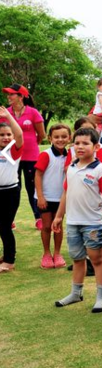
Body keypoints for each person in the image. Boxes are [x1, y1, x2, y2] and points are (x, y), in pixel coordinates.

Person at [52, 128, 102, 313]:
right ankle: (76, 293)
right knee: (77, 258)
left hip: (93, 223)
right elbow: (66, 192)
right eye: (77, 143)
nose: (80, 147)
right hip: (73, 222)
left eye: (85, 143)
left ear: (96, 146)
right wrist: (58, 216)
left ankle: (101, 296)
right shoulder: (71, 167)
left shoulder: (100, 170)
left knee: (97, 259)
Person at [2, 83, 46, 230]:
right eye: (8, 94)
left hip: (31, 157)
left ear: (20, 96)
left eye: (11, 94)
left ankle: (38, 217)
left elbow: (42, 135)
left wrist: (31, 145)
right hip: (11, 157)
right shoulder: (5, 113)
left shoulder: (33, 112)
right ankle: (9, 219)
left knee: (31, 187)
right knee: (13, 188)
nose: (8, 96)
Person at [34, 123, 71, 269]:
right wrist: (41, 196)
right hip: (46, 198)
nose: (60, 139)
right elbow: (38, 175)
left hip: (61, 198)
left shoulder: (71, 156)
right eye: (56, 137)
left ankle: (57, 253)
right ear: (50, 138)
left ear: (69, 137)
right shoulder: (46, 154)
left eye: (64, 136)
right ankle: (46, 254)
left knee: (58, 226)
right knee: (47, 226)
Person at [0, 107, 24, 273]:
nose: (6, 137)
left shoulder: (13, 151)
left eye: (8, 134)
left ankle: (9, 259)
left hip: (10, 192)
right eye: (2, 135)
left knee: (4, 226)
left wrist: (8, 115)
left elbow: (20, 135)